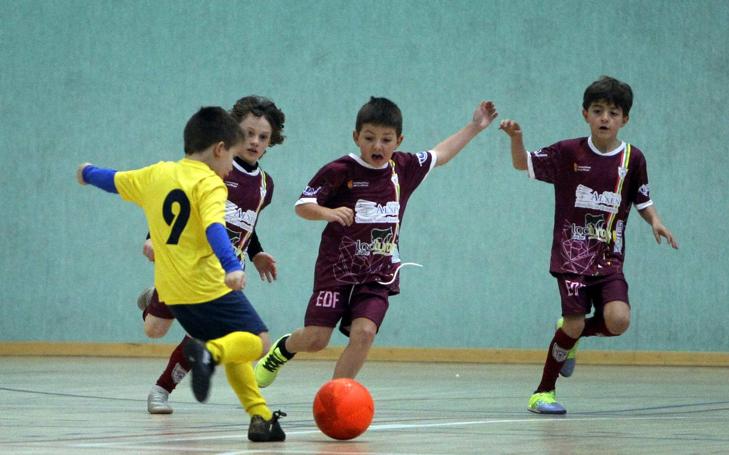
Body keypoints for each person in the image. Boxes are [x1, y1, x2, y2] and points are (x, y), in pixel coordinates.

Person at [253, 96, 498, 387]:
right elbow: (302, 206)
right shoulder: (339, 171)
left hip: (378, 273)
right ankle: (282, 351)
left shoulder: (404, 168)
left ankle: (335, 396)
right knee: (316, 339)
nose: (377, 146)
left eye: (386, 139)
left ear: (398, 140)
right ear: (356, 137)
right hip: (337, 269)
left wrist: (474, 127)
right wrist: (328, 212)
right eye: (369, 138)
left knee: (365, 333)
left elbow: (440, 154)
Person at [76, 106, 286, 442]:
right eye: (230, 156)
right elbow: (216, 229)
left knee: (234, 343)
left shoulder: (158, 173)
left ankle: (260, 418)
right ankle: (209, 354)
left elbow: (114, 180)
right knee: (257, 342)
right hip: (208, 285)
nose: (231, 165)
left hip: (173, 291)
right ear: (219, 149)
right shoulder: (213, 184)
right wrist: (233, 267)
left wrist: (88, 172)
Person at [499, 76, 678, 415]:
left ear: (625, 119)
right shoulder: (569, 152)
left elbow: (641, 198)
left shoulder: (633, 159)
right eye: (598, 111)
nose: (605, 118)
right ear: (585, 114)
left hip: (609, 260)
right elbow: (522, 163)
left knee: (618, 321)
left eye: (613, 112)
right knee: (575, 321)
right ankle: (542, 393)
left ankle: (572, 338)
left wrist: (655, 220)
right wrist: (517, 138)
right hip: (571, 258)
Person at [136, 96, 285, 415]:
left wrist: (256, 253)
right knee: (154, 330)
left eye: (263, 137)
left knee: (203, 336)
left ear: (271, 142)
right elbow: (175, 204)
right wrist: (153, 239)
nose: (255, 142)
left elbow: (247, 223)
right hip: (186, 265)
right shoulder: (212, 169)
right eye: (249, 134)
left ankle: (161, 389)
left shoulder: (264, 186)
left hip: (223, 276)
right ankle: (153, 301)